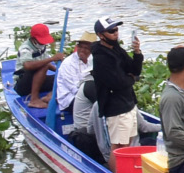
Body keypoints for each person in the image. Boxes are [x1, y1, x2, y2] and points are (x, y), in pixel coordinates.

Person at [89, 15, 145, 163]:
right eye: (111, 31)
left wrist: (137, 53)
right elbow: (118, 82)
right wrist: (132, 79)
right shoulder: (100, 57)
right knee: (119, 147)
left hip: (128, 103)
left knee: (128, 142)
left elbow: (134, 69)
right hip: (116, 107)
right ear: (101, 35)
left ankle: (124, 172)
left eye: (116, 30)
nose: (115, 33)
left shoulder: (117, 49)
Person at [54, 32, 96, 119]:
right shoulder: (68, 63)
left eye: (86, 48)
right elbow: (74, 89)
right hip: (69, 98)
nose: (82, 50)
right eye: (80, 47)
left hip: (87, 93)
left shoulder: (93, 59)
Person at [16, 21, 58, 106]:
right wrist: (52, 59)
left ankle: (50, 96)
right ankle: (34, 100)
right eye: (41, 41)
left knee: (59, 79)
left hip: (36, 80)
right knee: (43, 66)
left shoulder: (41, 46)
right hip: (23, 84)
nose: (43, 43)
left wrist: (58, 71)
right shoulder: (25, 48)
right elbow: (28, 66)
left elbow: (45, 62)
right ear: (33, 39)